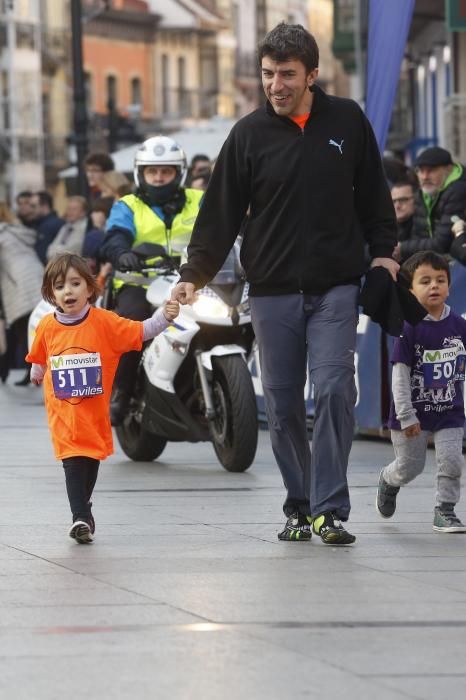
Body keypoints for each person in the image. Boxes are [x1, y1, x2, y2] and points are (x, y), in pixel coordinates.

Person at [171, 22, 398, 544]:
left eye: (287, 75)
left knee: (338, 388)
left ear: (312, 75)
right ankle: (299, 503)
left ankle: (330, 508)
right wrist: (193, 275)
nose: (275, 84)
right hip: (271, 290)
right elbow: (218, 213)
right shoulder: (248, 135)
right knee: (282, 399)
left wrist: (384, 255)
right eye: (268, 73)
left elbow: (375, 200)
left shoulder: (347, 120)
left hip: (337, 285)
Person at [26, 253, 179, 543]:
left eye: (74, 283)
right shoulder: (47, 325)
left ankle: (85, 508)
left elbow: (141, 331)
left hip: (94, 415)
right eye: (59, 286)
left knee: (90, 461)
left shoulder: (104, 322)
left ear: (89, 287)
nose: (67, 291)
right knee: (72, 461)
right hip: (63, 413)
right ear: (51, 293)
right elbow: (40, 354)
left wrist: (165, 317)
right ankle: (80, 517)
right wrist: (37, 371)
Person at [100, 135, 203, 425]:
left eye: (166, 171)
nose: (159, 178)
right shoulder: (128, 205)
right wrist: (122, 253)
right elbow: (114, 236)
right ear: (140, 173)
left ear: (178, 173)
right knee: (132, 324)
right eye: (152, 171)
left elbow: (225, 228)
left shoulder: (200, 199)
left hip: (192, 281)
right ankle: (122, 391)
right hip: (140, 282)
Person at [376, 251, 466, 533]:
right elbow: (399, 375)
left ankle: (445, 510)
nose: (434, 286)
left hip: (449, 412)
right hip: (412, 415)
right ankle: (389, 480)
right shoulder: (408, 327)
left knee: (452, 460)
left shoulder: (460, 326)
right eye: (425, 281)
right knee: (409, 468)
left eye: (440, 280)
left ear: (449, 287)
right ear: (410, 290)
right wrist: (406, 415)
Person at [393, 146, 466, 262]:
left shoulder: (458, 191)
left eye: (431, 170)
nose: (425, 176)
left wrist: (402, 248)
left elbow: (442, 243)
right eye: (421, 171)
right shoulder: (423, 193)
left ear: (448, 169)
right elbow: (418, 235)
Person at [0, 201, 44, 385]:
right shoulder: (15, 230)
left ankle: (33, 371)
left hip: (18, 285)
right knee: (33, 327)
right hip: (34, 277)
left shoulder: (2, 234)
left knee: (23, 329)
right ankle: (31, 370)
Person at [46, 196, 89, 260]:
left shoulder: (85, 228)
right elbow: (50, 250)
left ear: (83, 212)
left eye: (74, 209)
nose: (70, 212)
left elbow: (70, 251)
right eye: (69, 209)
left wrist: (56, 250)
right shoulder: (65, 226)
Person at [29, 190, 65, 264]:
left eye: (34, 206)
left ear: (45, 206)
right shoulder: (37, 223)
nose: (31, 210)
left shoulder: (55, 225)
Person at [391, 180, 416, 248]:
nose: (397, 206)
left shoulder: (424, 226)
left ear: (416, 199)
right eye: (393, 201)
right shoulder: (385, 227)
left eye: (403, 200)